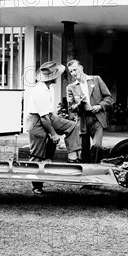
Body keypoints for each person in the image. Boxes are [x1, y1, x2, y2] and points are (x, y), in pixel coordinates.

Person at [26, 61, 82, 195]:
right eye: (56, 75)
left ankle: (72, 156)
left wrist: (57, 121)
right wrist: (54, 134)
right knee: (37, 154)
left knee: (72, 126)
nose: (58, 77)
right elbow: (43, 117)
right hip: (37, 120)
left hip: (49, 116)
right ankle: (37, 186)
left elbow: (48, 112)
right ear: (51, 77)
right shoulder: (39, 90)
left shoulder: (49, 87)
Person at [66, 60, 113, 163]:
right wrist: (79, 104)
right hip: (83, 120)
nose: (73, 73)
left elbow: (109, 98)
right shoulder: (71, 87)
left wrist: (100, 106)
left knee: (97, 146)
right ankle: (86, 172)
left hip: (97, 118)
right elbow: (71, 108)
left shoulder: (96, 79)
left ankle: (96, 167)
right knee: (84, 150)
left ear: (81, 68)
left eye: (75, 70)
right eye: (71, 72)